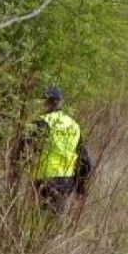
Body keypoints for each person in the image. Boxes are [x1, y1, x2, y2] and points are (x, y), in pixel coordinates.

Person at [24, 85, 92, 216]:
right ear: (61, 102)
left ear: (46, 102)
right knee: (58, 216)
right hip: (67, 179)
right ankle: (59, 235)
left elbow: (22, 148)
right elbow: (84, 159)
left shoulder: (40, 123)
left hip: (44, 177)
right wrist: (80, 186)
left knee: (42, 217)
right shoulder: (73, 124)